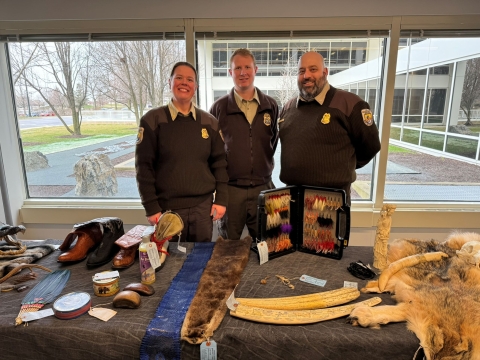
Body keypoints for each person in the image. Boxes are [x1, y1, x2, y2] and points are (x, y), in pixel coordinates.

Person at [135, 61, 228, 242]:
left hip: (203, 209)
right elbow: (144, 168)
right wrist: (151, 207)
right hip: (166, 210)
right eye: (179, 78)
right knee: (169, 264)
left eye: (189, 79)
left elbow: (220, 163)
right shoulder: (152, 120)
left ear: (196, 87)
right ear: (169, 82)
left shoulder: (209, 122)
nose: (184, 83)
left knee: (200, 260)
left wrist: (222, 199)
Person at [278, 51, 381, 203]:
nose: (306, 76)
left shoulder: (350, 104)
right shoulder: (288, 107)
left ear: (325, 72)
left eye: (313, 69)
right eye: (301, 71)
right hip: (291, 197)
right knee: (288, 229)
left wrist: (345, 165)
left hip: (331, 201)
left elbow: (371, 146)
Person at [210, 48, 279, 240]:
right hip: (231, 191)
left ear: (255, 69)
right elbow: (213, 152)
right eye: (237, 68)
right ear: (230, 72)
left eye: (247, 67)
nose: (243, 72)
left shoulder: (271, 106)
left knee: (266, 243)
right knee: (228, 246)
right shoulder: (218, 108)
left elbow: (272, 141)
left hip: (263, 187)